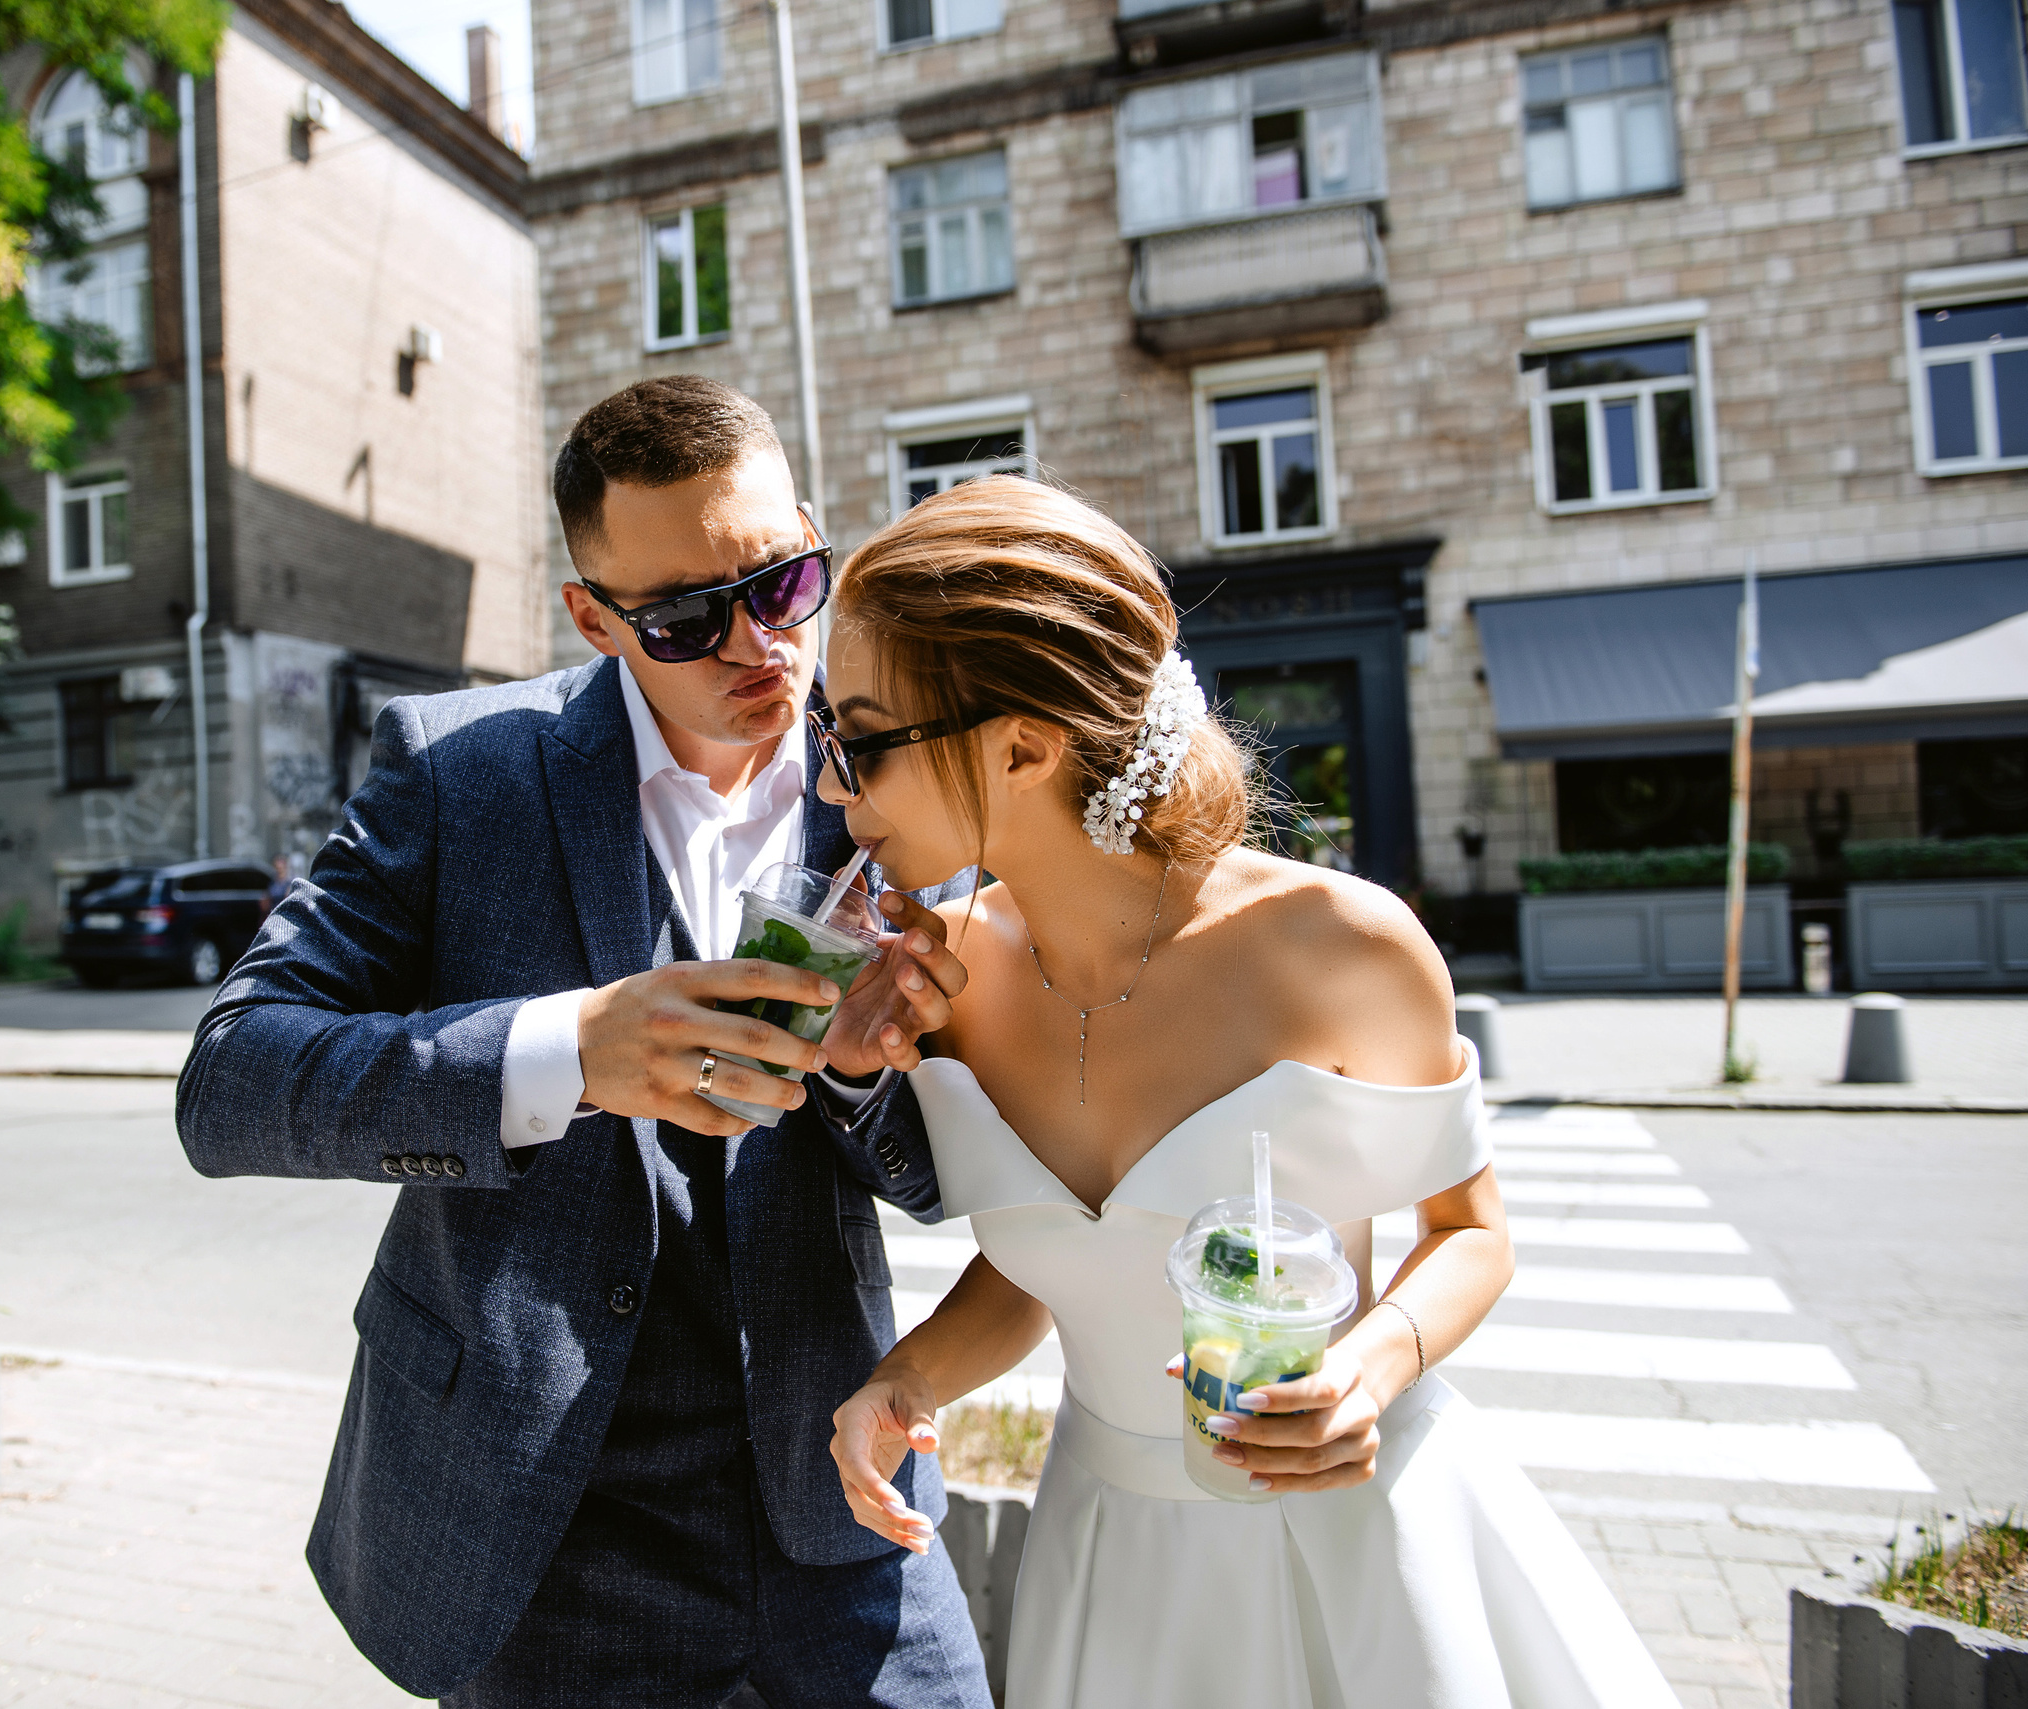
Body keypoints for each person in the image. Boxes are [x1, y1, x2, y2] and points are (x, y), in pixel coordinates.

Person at [176, 377, 993, 1708]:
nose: (756, 649)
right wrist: (567, 1050)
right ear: (594, 616)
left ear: (809, 536)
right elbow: (232, 1084)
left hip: (830, 1490)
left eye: (783, 586)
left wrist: (855, 1070)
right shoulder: (461, 770)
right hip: (546, 1519)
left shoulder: (900, 780)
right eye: (681, 617)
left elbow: (934, 1177)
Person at [820, 477, 1679, 1707]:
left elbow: (1468, 1234)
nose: (836, 787)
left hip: (1344, 1534)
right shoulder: (948, 977)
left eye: (859, 738)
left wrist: (1366, 1371)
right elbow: (1054, 1259)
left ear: (1021, 746)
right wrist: (903, 1380)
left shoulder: (1342, 946)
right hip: (1106, 1554)